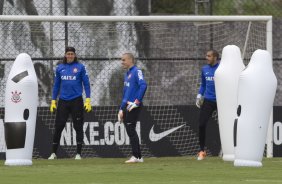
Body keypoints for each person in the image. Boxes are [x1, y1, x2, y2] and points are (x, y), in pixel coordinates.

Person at [48, 46, 92, 160]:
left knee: (78, 127)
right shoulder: (59, 68)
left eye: (72, 54)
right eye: (68, 54)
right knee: (59, 127)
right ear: (65, 55)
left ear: (75, 55)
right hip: (63, 101)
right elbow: (56, 85)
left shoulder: (81, 67)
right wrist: (53, 100)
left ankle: (78, 154)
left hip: (76, 100)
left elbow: (86, 84)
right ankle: (53, 153)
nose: (70, 56)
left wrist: (88, 99)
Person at [118, 52, 147, 163]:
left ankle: (137, 156)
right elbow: (126, 93)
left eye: (124, 60)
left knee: (130, 129)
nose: (122, 62)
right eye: (121, 60)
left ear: (130, 60)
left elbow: (143, 85)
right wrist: (121, 108)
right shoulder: (127, 74)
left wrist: (137, 102)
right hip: (127, 105)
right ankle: (138, 157)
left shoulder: (137, 71)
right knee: (130, 130)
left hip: (134, 105)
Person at [196, 50, 219, 160]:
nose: (207, 57)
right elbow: (203, 84)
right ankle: (202, 151)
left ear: (215, 57)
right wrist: (199, 95)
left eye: (209, 56)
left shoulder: (222, 69)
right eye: (206, 55)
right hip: (208, 101)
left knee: (227, 126)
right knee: (201, 124)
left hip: (221, 102)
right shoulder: (204, 69)